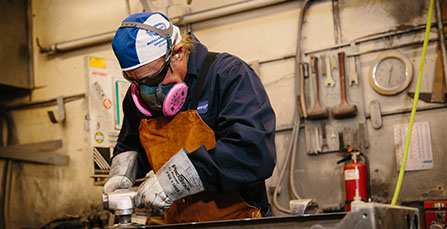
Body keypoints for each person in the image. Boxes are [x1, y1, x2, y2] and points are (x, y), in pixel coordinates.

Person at [103, 12, 277, 224]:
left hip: (238, 222)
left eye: (155, 78)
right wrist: (121, 174)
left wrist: (176, 179)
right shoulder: (137, 98)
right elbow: (131, 145)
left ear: (178, 53)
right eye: (138, 82)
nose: (150, 93)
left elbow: (254, 153)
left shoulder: (228, 76)